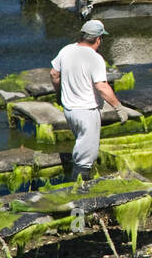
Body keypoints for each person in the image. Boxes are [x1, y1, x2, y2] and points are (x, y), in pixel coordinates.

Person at [50, 19, 127, 179]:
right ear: (98, 39)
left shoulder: (66, 50)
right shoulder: (95, 58)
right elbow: (102, 86)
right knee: (86, 156)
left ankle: (80, 181)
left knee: (81, 144)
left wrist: (59, 94)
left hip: (70, 110)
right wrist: (118, 107)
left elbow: (54, 74)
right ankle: (80, 190)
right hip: (87, 112)